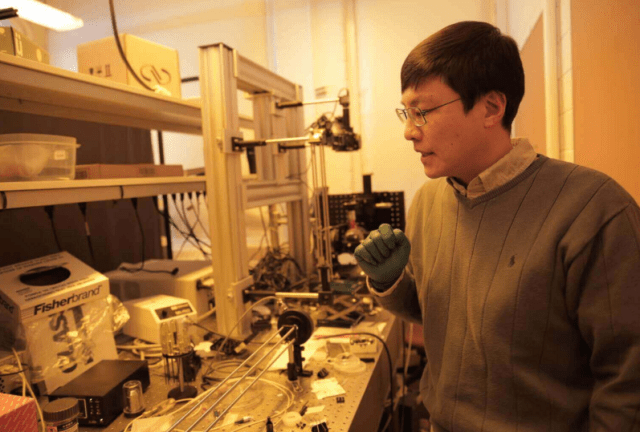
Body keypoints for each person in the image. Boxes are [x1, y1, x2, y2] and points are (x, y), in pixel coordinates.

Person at [354, 21, 640, 432]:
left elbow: (628, 379)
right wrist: (391, 282)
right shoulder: (428, 202)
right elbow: (439, 315)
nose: (408, 131)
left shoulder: (593, 209)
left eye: (422, 112)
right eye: (406, 112)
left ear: (491, 107)